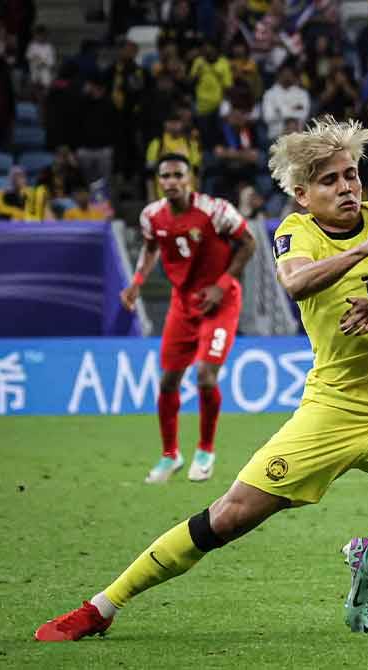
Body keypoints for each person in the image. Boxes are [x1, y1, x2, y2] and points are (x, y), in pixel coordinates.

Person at [34, 118, 368, 642]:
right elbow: (297, 282)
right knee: (227, 517)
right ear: (302, 194)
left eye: (351, 175)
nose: (347, 187)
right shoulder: (296, 232)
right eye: (330, 181)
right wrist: (364, 250)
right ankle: (101, 606)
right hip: (328, 417)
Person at [119, 153, 257, 484]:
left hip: (220, 303)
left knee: (205, 377)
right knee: (167, 382)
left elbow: (249, 244)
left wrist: (222, 285)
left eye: (177, 175)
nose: (170, 182)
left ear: (189, 178)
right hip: (182, 305)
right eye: (164, 176)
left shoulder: (216, 210)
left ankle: (205, 451)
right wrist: (137, 283)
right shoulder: (151, 216)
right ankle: (170, 456)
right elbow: (151, 248)